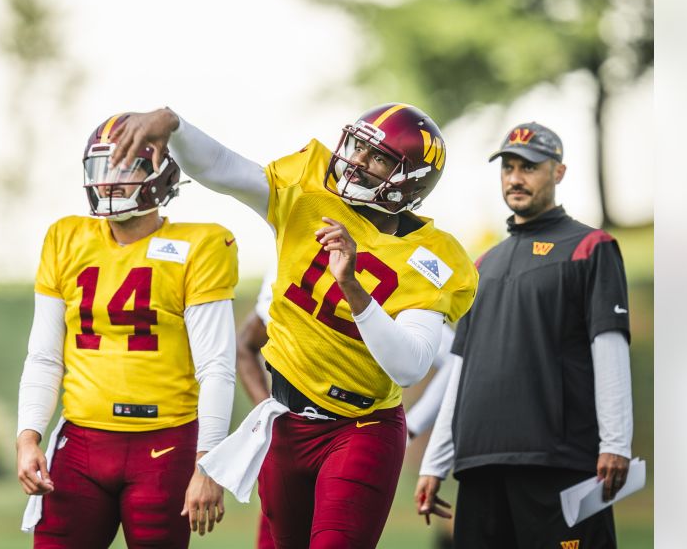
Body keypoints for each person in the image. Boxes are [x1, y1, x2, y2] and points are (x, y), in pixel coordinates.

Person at [111, 103, 478, 549]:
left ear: (410, 181)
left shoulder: (431, 258)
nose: (356, 162)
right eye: (358, 147)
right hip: (286, 420)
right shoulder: (307, 192)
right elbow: (225, 169)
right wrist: (175, 125)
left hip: (360, 426)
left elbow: (411, 367)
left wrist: (353, 286)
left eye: (377, 157)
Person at [15, 114, 239, 548]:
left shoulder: (203, 245)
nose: (110, 182)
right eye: (102, 168)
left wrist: (208, 463)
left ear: (162, 174)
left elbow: (216, 366)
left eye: (125, 167)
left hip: (165, 445)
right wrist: (28, 437)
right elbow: (45, 355)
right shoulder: (65, 238)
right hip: (81, 443)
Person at [415, 122, 634, 548]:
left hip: (559, 463)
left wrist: (616, 443)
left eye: (530, 167)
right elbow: (461, 369)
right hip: (479, 466)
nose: (515, 178)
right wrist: (434, 463)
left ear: (559, 172)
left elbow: (609, 346)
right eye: (508, 167)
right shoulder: (482, 266)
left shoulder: (590, 247)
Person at [236, 265, 458, 549]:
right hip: (290, 437)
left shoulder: (384, 271)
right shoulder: (287, 265)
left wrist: (412, 428)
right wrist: (266, 414)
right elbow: (245, 344)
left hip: (355, 431)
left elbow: (453, 360)